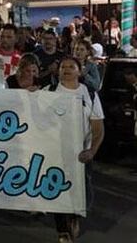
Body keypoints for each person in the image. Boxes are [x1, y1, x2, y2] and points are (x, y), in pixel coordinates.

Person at [44, 57, 104, 243]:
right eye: (63, 66)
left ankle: (75, 216)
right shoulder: (48, 91)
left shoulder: (90, 94)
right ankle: (62, 231)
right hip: (55, 154)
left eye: (72, 66)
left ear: (80, 71)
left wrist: (92, 151)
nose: (67, 69)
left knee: (83, 191)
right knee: (57, 190)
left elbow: (98, 128)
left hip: (81, 155)